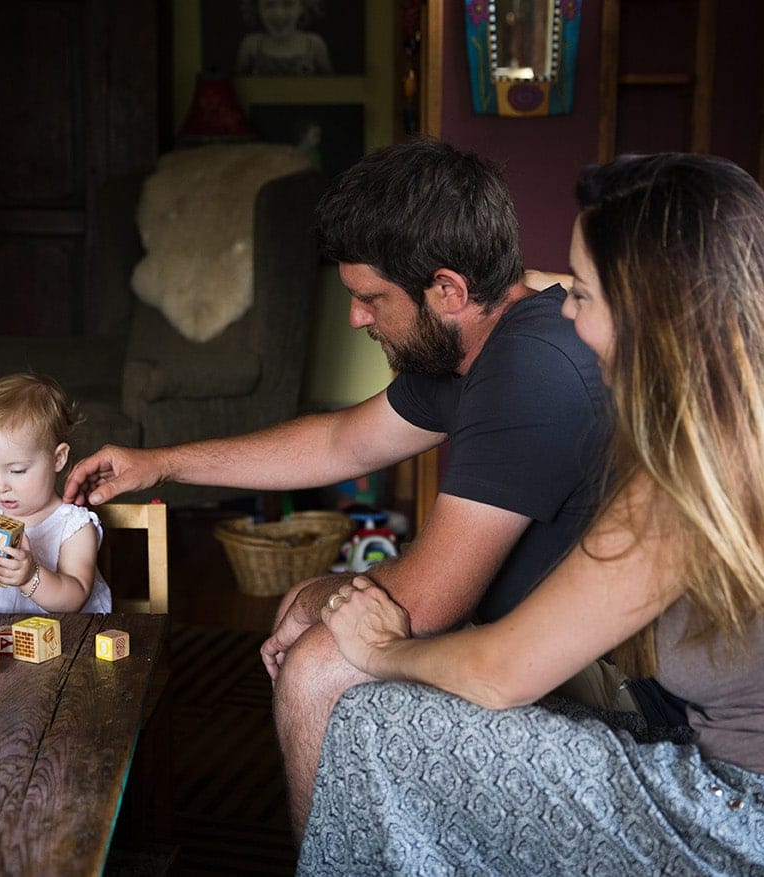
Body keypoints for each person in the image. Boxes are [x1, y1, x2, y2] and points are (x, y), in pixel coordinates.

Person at [303, 153, 764, 874]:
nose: (567, 316)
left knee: (373, 720)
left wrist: (382, 649)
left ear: (653, 309)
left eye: (582, 294)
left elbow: (501, 672)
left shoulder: (701, 473)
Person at [64, 138, 614, 835]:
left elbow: (423, 607)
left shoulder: (527, 371)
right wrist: (159, 462)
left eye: (370, 298)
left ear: (446, 289)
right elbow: (339, 441)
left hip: (603, 689)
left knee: (321, 660)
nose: (356, 318)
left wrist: (318, 601)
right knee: (311, 608)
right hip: (535, 643)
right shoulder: (482, 331)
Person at [0, 373, 112, 614]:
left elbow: (75, 596)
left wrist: (30, 576)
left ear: (58, 458)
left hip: (62, 639)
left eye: (17, 470)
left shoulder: (73, 527)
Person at [235, 0, 333, 75]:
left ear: (302, 7)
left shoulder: (314, 45)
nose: (279, 14)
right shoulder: (251, 45)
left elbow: (332, 87)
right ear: (257, 8)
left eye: (288, 4)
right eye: (269, 5)